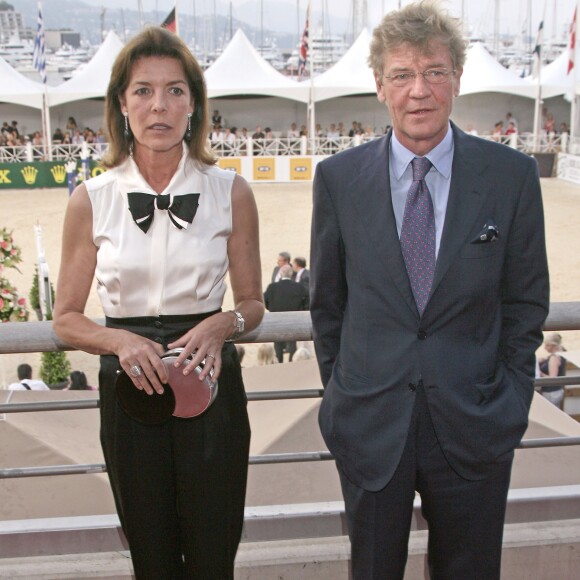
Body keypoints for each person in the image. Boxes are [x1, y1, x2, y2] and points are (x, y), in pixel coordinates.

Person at [309, 2, 550, 579]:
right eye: (403, 74)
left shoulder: (511, 177)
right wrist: (348, 396)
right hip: (371, 427)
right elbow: (328, 307)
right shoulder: (338, 180)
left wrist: (510, 399)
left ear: (457, 80)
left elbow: (525, 303)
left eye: (434, 71)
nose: (420, 90)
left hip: (476, 425)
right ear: (380, 86)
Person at [52, 26, 264, 579]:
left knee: (215, 551)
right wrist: (118, 339)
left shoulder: (232, 191)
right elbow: (67, 318)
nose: (159, 105)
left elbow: (254, 304)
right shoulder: (90, 199)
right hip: (129, 389)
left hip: (211, 381)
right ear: (122, 104)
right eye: (143, 91)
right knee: (152, 556)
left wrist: (224, 323)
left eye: (174, 90)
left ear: (194, 103)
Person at [264, 264, 309, 363]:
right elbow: (306, 302)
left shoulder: (272, 287)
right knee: (293, 342)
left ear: (280, 273)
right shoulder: (299, 287)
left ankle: (279, 362)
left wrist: (272, 309)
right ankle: (291, 363)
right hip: (294, 319)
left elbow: (265, 300)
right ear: (291, 274)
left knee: (278, 343)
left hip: (276, 319)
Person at [538, 332, 566, 409]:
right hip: (557, 390)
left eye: (547, 345)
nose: (545, 348)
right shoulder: (560, 355)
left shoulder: (554, 358)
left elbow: (552, 378)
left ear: (553, 345)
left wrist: (540, 373)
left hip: (551, 392)